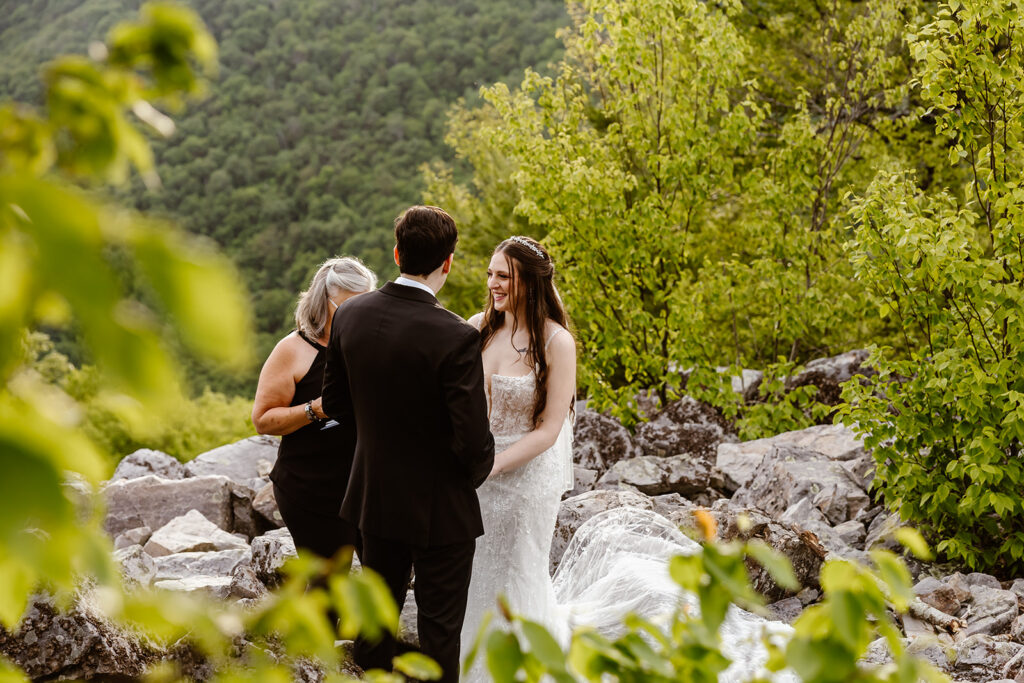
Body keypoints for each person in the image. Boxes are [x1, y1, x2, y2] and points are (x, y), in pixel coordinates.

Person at [461, 237, 797, 683]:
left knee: (514, 569)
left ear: (530, 282)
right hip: (475, 476)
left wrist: (494, 465)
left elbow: (547, 429)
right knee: (476, 569)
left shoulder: (557, 343)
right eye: (490, 274)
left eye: (503, 276)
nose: (492, 284)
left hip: (523, 479)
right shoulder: (477, 327)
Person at [321, 205, 495, 683]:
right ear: (448, 263)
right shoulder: (457, 335)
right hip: (441, 507)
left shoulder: (349, 314)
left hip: (373, 495)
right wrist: (470, 479)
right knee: (440, 634)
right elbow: (473, 439)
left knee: (375, 626)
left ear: (396, 253)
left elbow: (335, 401)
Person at [252, 256, 377, 559]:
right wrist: (315, 410)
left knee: (385, 579)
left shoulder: (370, 344)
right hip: (310, 489)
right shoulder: (293, 349)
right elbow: (263, 420)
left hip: (365, 487)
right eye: (347, 307)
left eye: (365, 306)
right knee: (329, 587)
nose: (356, 316)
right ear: (323, 302)